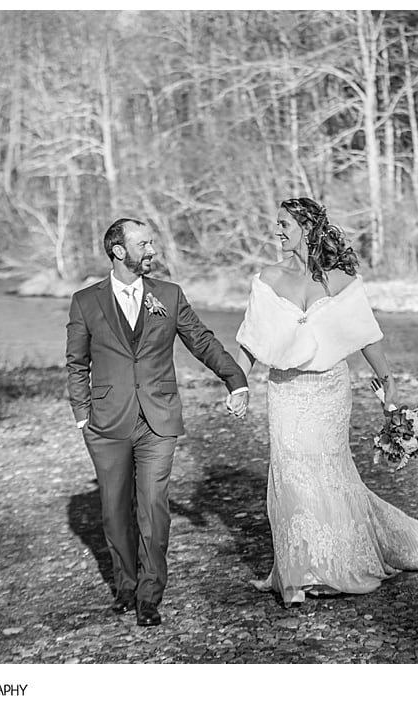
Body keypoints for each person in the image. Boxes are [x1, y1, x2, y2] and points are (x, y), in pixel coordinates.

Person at [230, 197, 418, 606]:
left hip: (330, 390)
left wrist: (388, 383)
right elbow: (250, 341)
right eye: (277, 224)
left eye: (285, 224)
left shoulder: (341, 279)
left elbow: (367, 335)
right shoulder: (266, 279)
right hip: (286, 391)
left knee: (329, 469)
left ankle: (339, 563)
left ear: (308, 227)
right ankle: (298, 571)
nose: (278, 232)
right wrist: (237, 385)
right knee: (291, 469)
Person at [66, 218, 249, 626]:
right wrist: (82, 417)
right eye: (144, 244)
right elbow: (76, 363)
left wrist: (235, 380)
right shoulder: (85, 301)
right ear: (118, 251)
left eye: (151, 243)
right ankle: (124, 584)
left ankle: (149, 595)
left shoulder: (168, 294)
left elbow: (199, 339)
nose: (152, 250)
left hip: (158, 418)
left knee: (153, 506)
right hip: (106, 422)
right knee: (115, 512)